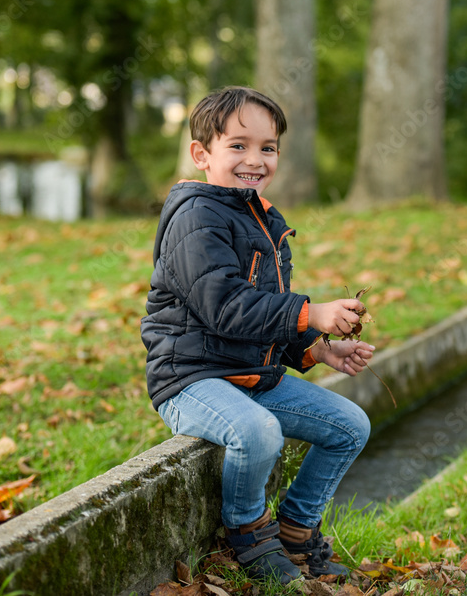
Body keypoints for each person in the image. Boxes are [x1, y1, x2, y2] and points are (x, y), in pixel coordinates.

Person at [140, 86, 374, 584]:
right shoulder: (196, 217)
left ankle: (296, 529)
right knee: (257, 431)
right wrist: (312, 312)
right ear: (202, 155)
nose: (255, 159)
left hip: (252, 375)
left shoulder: (263, 218)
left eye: (267, 148)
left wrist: (318, 350)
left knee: (350, 425)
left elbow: (266, 312)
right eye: (238, 145)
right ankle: (248, 534)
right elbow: (225, 308)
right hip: (190, 377)